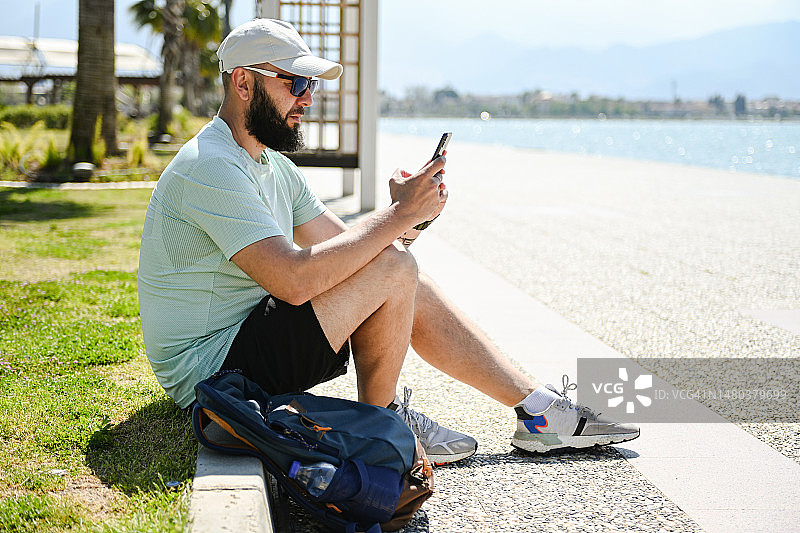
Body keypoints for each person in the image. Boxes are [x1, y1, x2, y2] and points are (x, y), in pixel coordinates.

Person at [137, 19, 639, 465]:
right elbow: (291, 281)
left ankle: (537, 410)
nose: (307, 99)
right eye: (294, 83)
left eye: (308, 84)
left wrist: (410, 218)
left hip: (245, 343)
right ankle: (382, 429)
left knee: (395, 264)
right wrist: (397, 215)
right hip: (210, 374)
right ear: (244, 82)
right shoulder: (212, 166)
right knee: (394, 268)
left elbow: (355, 249)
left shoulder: (272, 167)